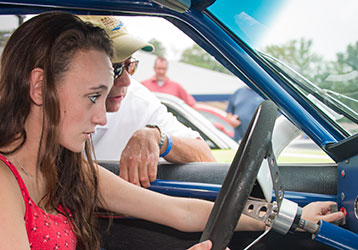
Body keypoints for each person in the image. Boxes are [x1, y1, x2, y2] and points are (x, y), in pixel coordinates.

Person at [0, 12, 345, 250]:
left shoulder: (70, 172)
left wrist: (288, 219)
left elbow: (179, 212)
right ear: (38, 86)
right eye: (93, 97)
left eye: (104, 98)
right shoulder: (4, 182)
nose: (102, 117)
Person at [79, 15, 215, 188]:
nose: (126, 81)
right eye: (115, 69)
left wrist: (159, 138)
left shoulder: (138, 101)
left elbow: (205, 157)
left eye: (130, 66)